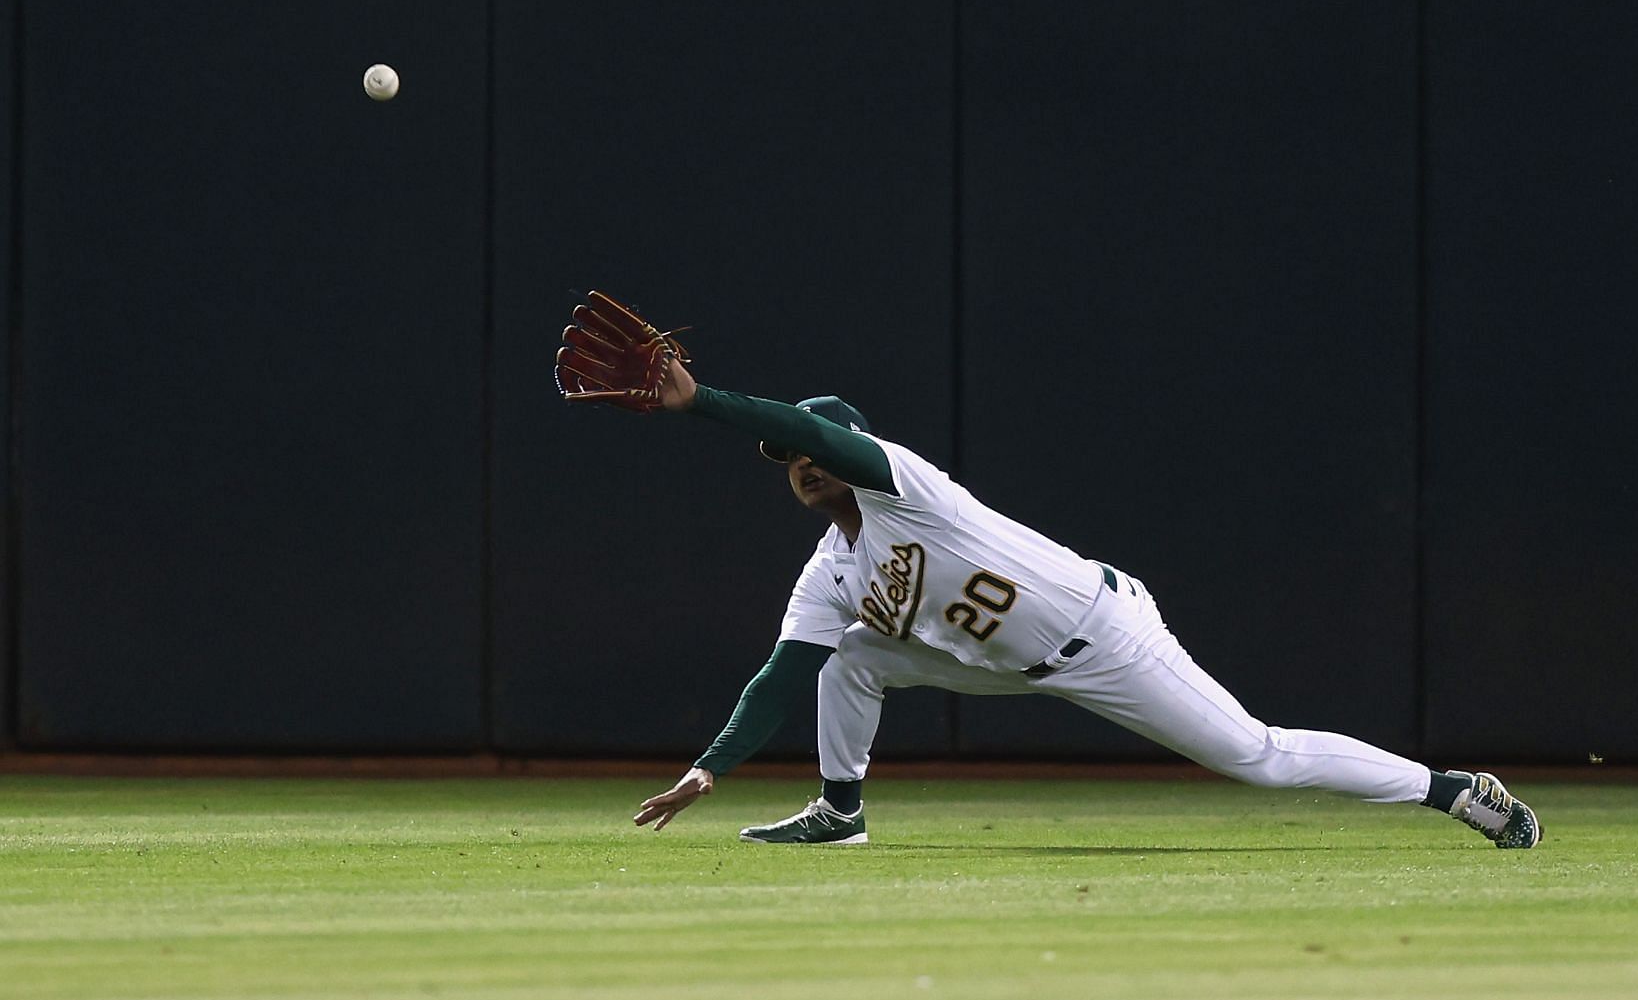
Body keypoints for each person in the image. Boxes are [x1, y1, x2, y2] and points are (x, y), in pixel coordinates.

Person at [556, 295, 1540, 849]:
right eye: (788, 464)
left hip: (1102, 639)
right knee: (850, 656)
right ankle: (840, 812)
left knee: (1258, 755)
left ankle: (1452, 791)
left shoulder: (910, 487)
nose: (801, 464)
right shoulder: (830, 566)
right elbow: (781, 675)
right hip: (998, 658)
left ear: (851, 449)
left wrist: (703, 404)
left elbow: (799, 424)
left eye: (815, 450)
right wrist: (707, 768)